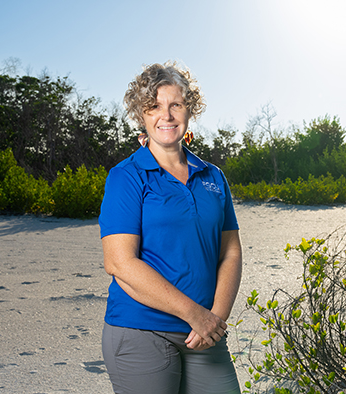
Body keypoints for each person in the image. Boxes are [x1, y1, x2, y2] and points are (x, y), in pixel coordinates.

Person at [98, 61, 242, 394]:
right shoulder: (127, 176)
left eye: (175, 104)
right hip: (141, 330)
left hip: (205, 333)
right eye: (154, 106)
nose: (167, 115)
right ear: (142, 116)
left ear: (189, 109)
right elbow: (119, 263)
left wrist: (213, 320)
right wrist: (196, 314)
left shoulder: (213, 177)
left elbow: (230, 252)